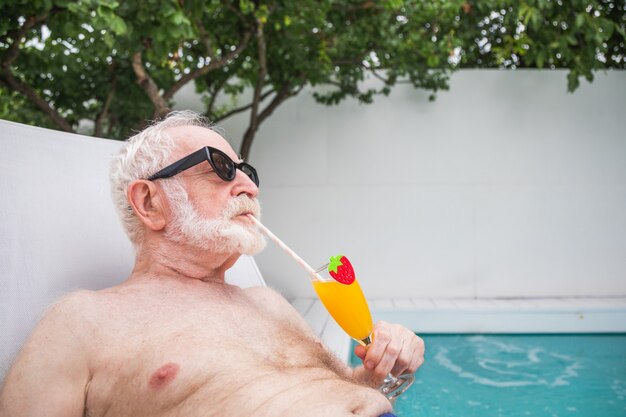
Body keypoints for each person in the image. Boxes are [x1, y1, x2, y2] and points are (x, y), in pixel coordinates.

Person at [0, 111, 424, 417]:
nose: (248, 187)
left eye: (247, 172)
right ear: (149, 202)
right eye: (220, 168)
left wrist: (386, 367)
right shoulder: (83, 321)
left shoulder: (268, 303)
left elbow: (337, 393)